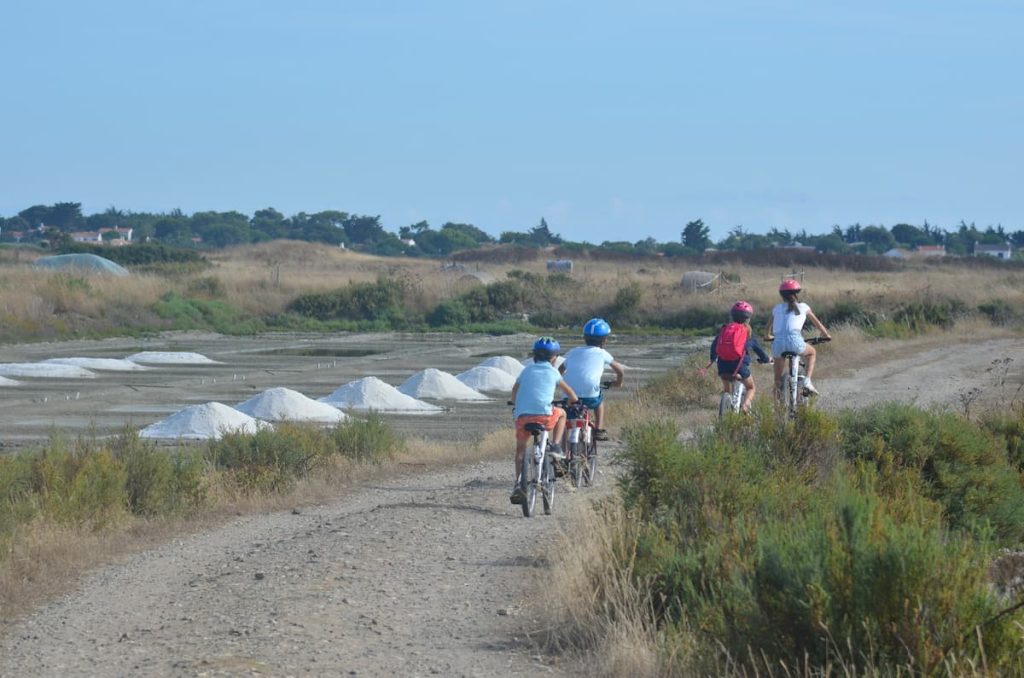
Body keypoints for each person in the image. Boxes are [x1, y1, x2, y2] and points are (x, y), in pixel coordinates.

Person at [510, 336, 578, 504]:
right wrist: (571, 402)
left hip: (523, 417)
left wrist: (514, 403)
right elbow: (572, 395)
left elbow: (514, 390)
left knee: (520, 452)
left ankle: (519, 483)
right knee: (561, 413)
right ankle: (555, 445)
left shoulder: (526, 371)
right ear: (554, 358)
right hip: (545, 417)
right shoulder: (554, 372)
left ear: (534, 355)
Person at [559, 318, 625, 440]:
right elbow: (620, 370)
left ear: (584, 338)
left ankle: (563, 443)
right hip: (590, 395)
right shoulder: (602, 353)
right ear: (604, 340)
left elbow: (560, 369)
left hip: (568, 394)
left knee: (568, 414)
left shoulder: (574, 351)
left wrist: (560, 383)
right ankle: (598, 430)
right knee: (599, 402)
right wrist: (618, 383)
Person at [700, 301, 771, 413]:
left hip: (722, 366)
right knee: (751, 388)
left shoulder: (724, 331)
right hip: (740, 367)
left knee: (727, 390)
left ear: (732, 316)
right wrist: (766, 360)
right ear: (748, 319)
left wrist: (713, 358)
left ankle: (726, 405)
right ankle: (746, 406)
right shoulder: (747, 334)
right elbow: (759, 351)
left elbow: (714, 345)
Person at [766, 279, 831, 395]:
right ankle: (807, 381)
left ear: (782, 296)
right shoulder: (804, 307)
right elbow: (817, 324)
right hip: (795, 341)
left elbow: (767, 328)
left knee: (777, 381)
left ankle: (777, 410)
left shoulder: (776, 309)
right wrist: (825, 335)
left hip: (778, 343)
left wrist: (768, 336)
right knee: (812, 353)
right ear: (796, 294)